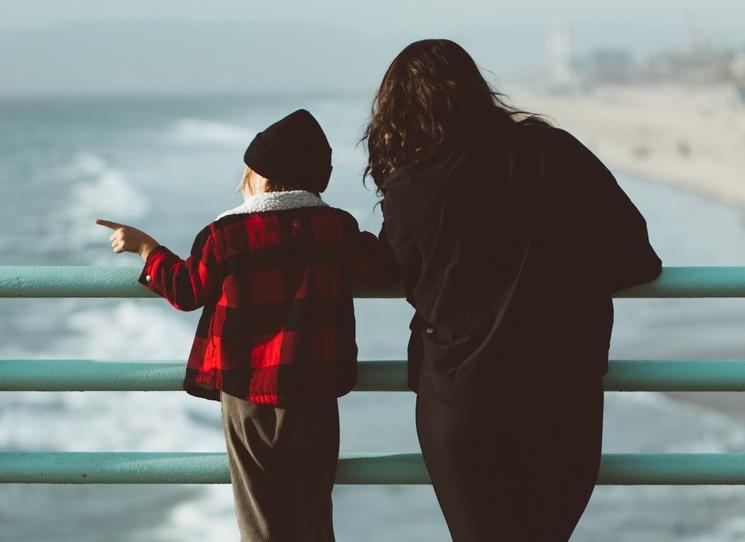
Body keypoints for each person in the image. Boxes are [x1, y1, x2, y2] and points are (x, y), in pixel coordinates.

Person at [362, 39, 662, 541]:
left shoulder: (411, 188)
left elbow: (398, 273)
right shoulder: (553, 151)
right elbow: (637, 258)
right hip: (564, 395)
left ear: (399, 112)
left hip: (461, 401)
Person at [97, 109, 398, 542]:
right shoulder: (337, 228)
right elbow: (383, 268)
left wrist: (146, 248)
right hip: (314, 393)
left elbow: (185, 290)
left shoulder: (225, 234)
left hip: (246, 392)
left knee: (260, 515)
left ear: (259, 177)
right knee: (313, 514)